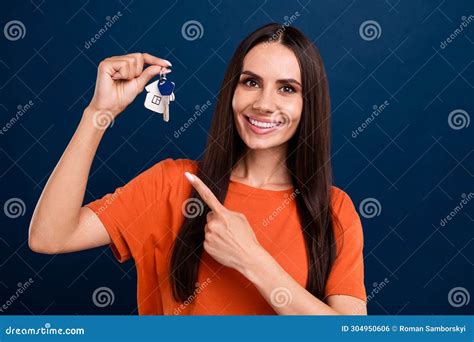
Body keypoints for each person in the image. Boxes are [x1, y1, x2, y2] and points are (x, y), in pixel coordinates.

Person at [29, 23, 367, 315]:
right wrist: (98, 114)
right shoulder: (173, 183)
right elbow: (49, 236)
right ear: (231, 91)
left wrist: (251, 258)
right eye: (250, 82)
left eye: (287, 88)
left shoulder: (334, 211)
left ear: (309, 103)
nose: (264, 103)